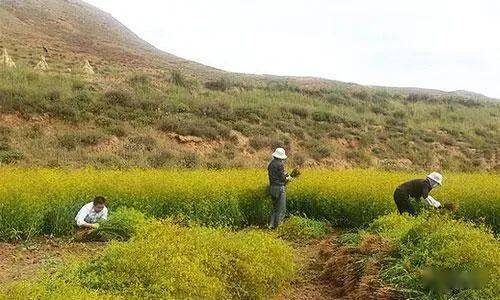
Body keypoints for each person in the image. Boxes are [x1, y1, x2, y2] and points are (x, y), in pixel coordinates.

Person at [268, 148, 292, 229]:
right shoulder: (280, 164)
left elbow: (276, 174)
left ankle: (271, 225)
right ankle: (279, 226)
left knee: (274, 208)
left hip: (272, 188)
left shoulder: (271, 164)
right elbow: (282, 178)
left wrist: (284, 173)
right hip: (279, 188)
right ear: (281, 157)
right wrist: (288, 178)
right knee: (281, 208)